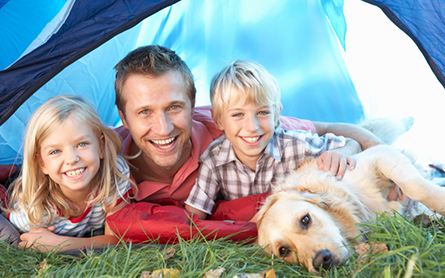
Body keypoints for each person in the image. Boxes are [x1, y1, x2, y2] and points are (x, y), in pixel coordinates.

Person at [113, 45, 383, 206]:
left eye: (174, 107)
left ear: (193, 104)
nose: (163, 128)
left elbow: (327, 128)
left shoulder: (234, 127)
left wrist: (376, 154)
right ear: (123, 117)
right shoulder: (99, 156)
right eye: (144, 112)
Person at [184, 60, 361, 219]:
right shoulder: (214, 160)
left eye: (262, 113)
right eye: (238, 114)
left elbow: (352, 143)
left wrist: (341, 153)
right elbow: (194, 215)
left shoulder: (295, 145)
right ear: (219, 120)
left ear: (276, 115)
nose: (252, 126)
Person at [4, 95, 135, 251]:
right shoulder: (33, 211)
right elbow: (25, 237)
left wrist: (59, 244)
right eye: (56, 151)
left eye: (82, 144)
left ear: (100, 146)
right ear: (42, 164)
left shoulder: (114, 174)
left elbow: (117, 239)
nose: (72, 159)